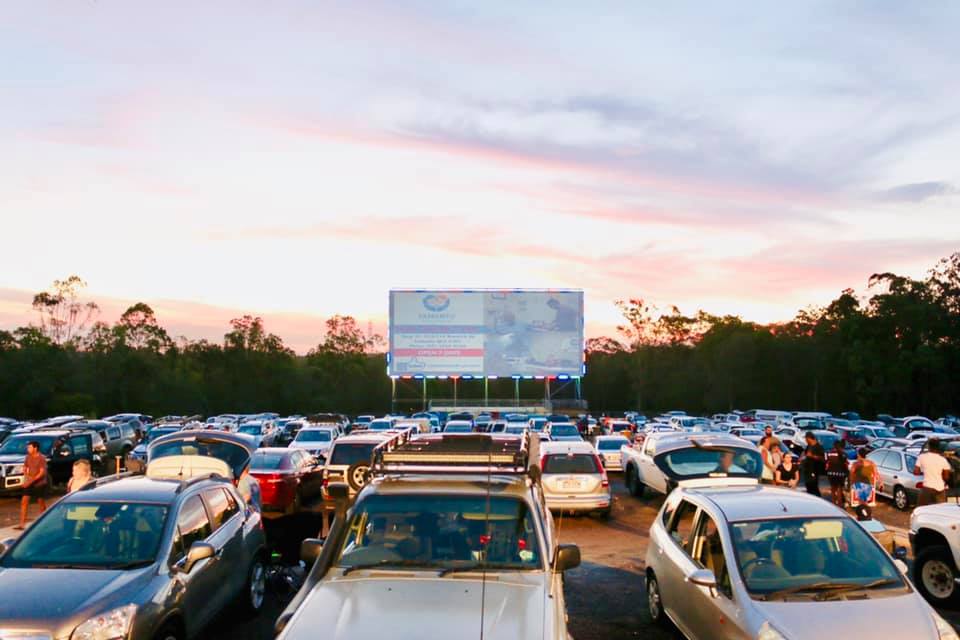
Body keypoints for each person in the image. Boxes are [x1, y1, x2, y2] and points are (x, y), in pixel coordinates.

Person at [17, 441, 48, 530]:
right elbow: (25, 467)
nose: (28, 449)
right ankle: (22, 524)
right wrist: (26, 477)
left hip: (39, 483)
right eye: (28, 447)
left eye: (29, 447)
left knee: (41, 502)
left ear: (35, 448)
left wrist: (30, 481)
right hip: (29, 482)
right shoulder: (28, 457)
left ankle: (44, 522)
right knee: (24, 501)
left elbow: (41, 473)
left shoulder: (41, 458)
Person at [915, 438, 952, 505]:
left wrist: (924, 471)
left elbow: (916, 472)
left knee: (922, 509)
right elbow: (946, 477)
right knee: (940, 511)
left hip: (927, 488)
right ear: (938, 447)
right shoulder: (943, 460)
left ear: (929, 446)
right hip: (940, 489)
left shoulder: (922, 457)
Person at [849, 447, 880, 520]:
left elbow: (851, 473)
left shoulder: (856, 463)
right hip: (868, 483)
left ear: (859, 454)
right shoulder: (871, 463)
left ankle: (864, 515)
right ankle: (866, 514)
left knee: (861, 501)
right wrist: (880, 482)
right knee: (865, 500)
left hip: (858, 483)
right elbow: (876, 473)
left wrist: (851, 483)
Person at [825, 440, 849, 508]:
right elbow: (846, 464)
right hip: (841, 473)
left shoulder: (829, 453)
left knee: (833, 488)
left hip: (831, 473)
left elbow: (826, 464)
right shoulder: (844, 454)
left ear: (833, 446)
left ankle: (834, 503)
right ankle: (840, 504)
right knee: (839, 489)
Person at [800, 432, 825, 497]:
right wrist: (802, 457)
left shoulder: (818, 446)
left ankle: (818, 498)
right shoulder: (809, 446)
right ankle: (810, 498)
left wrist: (813, 456)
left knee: (813, 486)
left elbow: (822, 458)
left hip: (814, 469)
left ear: (809, 438)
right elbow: (805, 453)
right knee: (808, 486)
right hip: (807, 469)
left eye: (806, 439)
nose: (805, 440)